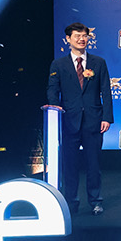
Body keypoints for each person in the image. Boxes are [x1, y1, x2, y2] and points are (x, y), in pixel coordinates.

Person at [46, 22, 113, 215]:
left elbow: (106, 92)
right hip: (69, 121)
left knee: (93, 164)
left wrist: (107, 117)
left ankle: (95, 201)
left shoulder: (98, 62)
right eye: (77, 36)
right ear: (68, 39)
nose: (82, 39)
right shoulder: (58, 64)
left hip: (93, 120)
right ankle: (71, 203)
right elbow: (52, 89)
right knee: (70, 165)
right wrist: (55, 109)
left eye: (85, 36)